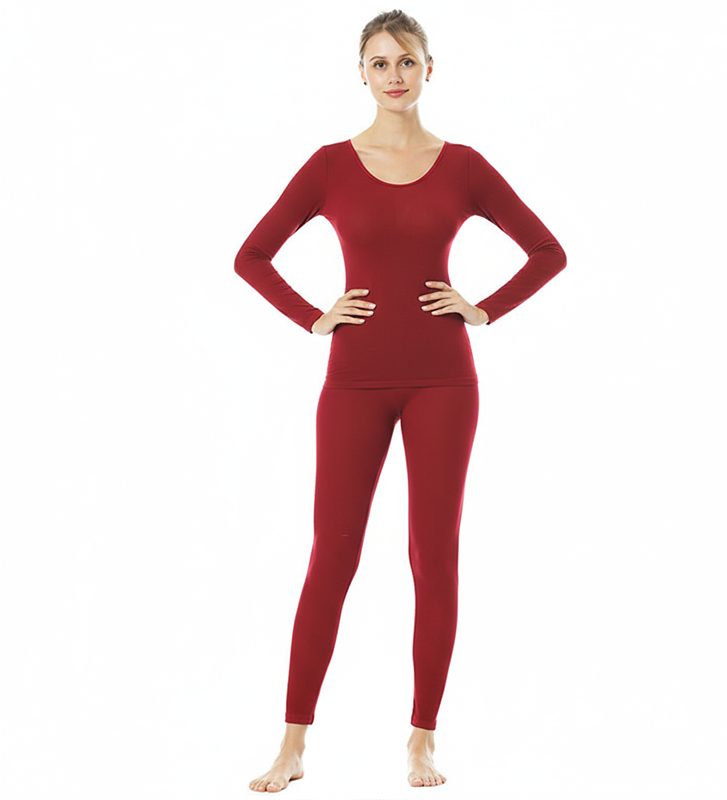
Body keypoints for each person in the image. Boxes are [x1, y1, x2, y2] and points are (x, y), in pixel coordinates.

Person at [234, 9, 567, 792]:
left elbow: (548, 251)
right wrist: (312, 316)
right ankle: (292, 743)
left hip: (443, 383)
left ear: (428, 69)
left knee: (433, 555)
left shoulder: (464, 166)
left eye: (406, 61)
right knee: (332, 555)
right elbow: (251, 256)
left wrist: (483, 308)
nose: (394, 75)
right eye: (379, 63)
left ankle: (421, 738)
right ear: (361, 73)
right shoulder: (328, 165)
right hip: (352, 382)